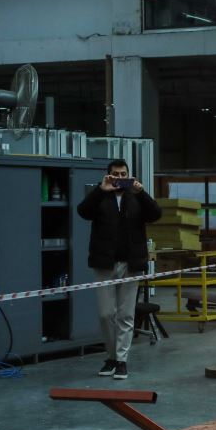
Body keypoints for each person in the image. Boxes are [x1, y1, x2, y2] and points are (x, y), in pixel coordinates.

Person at [76, 159, 162, 380]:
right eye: (115, 174)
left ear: (129, 175)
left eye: (123, 174)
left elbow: (156, 214)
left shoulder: (135, 197)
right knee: (106, 314)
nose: (120, 178)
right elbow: (82, 211)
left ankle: (121, 360)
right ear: (108, 175)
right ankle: (111, 356)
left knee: (125, 314)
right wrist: (100, 190)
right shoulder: (101, 197)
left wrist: (142, 193)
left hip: (130, 264)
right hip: (104, 264)